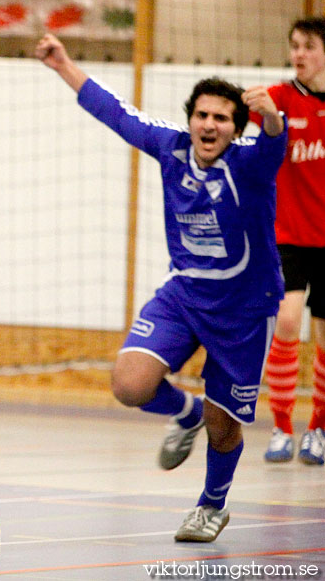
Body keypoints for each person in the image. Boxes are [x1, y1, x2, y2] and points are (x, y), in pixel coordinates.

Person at [36, 33, 287, 542]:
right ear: (190, 118)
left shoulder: (250, 165)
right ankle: (184, 411)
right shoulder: (172, 148)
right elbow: (118, 113)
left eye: (221, 118)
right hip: (185, 294)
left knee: (226, 427)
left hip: (244, 307)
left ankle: (211, 505)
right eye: (202, 115)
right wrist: (63, 66)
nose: (209, 125)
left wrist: (275, 118)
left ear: (235, 127)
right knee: (129, 384)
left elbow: (274, 142)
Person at [253, 17, 325, 466]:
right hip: (289, 236)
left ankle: (317, 428)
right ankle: (281, 426)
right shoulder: (278, 99)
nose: (299, 53)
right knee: (286, 320)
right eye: (294, 45)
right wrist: (253, 107)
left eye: (309, 46)